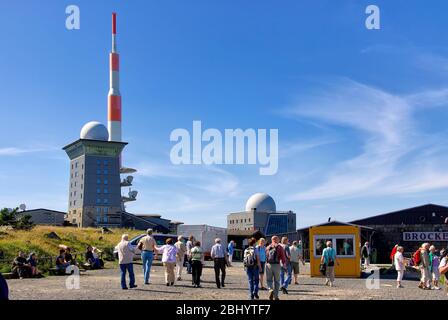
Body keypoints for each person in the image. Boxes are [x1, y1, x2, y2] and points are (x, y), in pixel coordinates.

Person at [265, 236, 287, 300]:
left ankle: (270, 289)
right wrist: (284, 265)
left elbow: (266, 256)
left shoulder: (268, 247)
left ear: (272, 240)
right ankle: (276, 296)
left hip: (268, 265)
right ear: (277, 240)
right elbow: (283, 257)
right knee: (277, 281)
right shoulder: (280, 247)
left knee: (269, 280)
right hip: (277, 265)